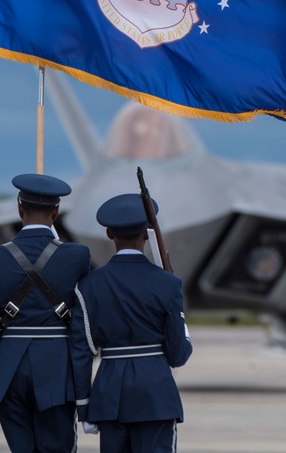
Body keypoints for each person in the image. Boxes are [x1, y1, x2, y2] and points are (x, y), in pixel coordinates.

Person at [0, 173, 91, 453]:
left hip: (9, 372)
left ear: (19, 209)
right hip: (57, 369)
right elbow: (82, 326)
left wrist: (5, 357)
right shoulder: (77, 256)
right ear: (56, 212)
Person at [70, 193, 193, 453]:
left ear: (109, 234)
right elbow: (178, 355)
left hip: (109, 396)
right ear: (147, 234)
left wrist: (83, 406)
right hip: (155, 396)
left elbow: (81, 350)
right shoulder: (168, 284)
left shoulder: (89, 284)